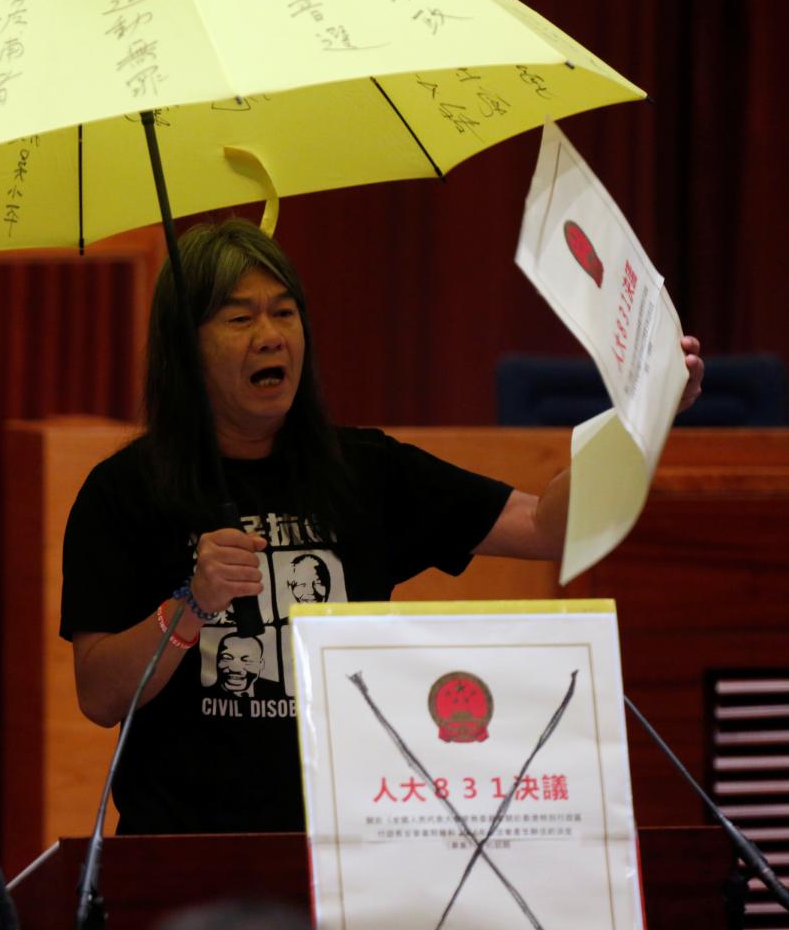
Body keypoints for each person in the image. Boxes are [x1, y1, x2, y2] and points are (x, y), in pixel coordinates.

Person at [60, 219, 704, 835]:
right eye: (239, 318)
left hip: (351, 850)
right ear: (183, 345)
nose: (270, 335)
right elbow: (100, 694)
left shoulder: (364, 470)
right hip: (183, 855)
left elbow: (546, 526)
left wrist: (639, 420)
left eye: (285, 313)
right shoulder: (125, 492)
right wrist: (189, 607)